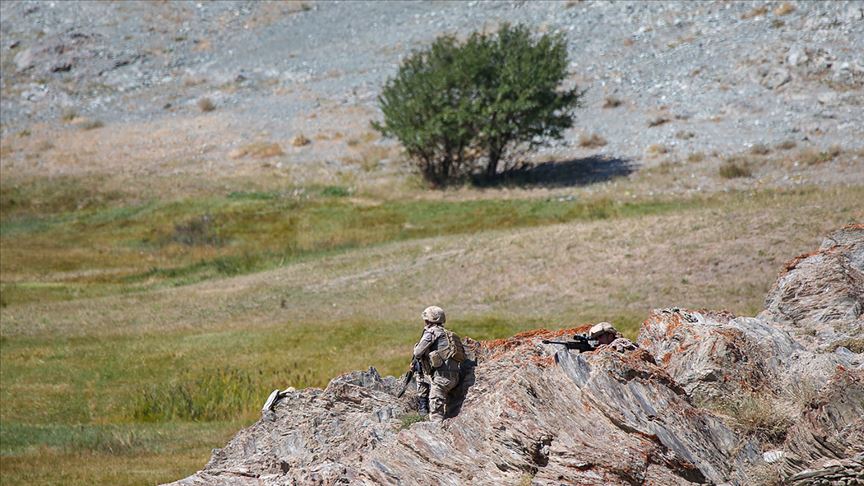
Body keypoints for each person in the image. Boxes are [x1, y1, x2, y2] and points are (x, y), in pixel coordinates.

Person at [413, 305, 461, 421]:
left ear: (428, 320)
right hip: (455, 378)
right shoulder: (449, 334)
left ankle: (424, 411)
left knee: (436, 416)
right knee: (421, 376)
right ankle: (423, 408)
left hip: (441, 379)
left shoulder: (431, 333)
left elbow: (418, 352)